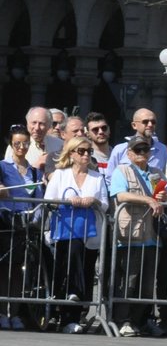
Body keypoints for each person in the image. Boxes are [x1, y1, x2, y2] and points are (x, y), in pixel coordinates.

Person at [108, 137, 167, 337]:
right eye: (137, 150)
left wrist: (165, 197)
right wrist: (148, 199)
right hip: (130, 234)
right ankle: (123, 320)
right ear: (129, 153)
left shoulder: (156, 173)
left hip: (152, 235)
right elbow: (120, 195)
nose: (142, 153)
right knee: (129, 280)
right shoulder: (122, 171)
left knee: (147, 284)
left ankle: (140, 320)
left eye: (145, 149)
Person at [42, 137, 106, 333]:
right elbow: (48, 200)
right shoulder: (60, 175)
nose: (86, 154)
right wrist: (67, 200)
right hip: (66, 232)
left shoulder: (97, 177)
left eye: (89, 151)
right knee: (64, 270)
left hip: (90, 233)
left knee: (85, 272)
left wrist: (92, 200)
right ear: (71, 154)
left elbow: (105, 204)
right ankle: (61, 313)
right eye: (81, 151)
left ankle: (72, 318)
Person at [108, 108, 167, 174]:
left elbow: (165, 177)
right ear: (134, 125)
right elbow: (110, 177)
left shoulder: (162, 149)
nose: (150, 125)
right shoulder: (120, 149)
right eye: (145, 122)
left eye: (153, 122)